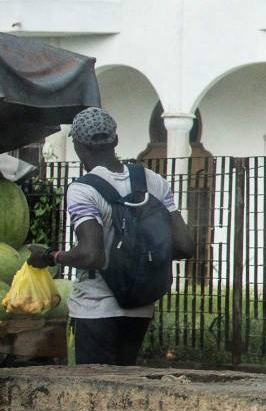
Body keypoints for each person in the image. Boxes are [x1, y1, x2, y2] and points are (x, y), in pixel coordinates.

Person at [24, 106, 195, 365]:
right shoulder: (153, 181)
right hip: (139, 307)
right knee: (124, 387)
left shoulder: (83, 189)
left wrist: (50, 256)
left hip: (96, 308)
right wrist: (140, 253)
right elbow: (184, 246)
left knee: (93, 391)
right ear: (115, 140)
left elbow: (91, 254)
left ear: (79, 147)